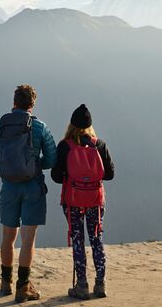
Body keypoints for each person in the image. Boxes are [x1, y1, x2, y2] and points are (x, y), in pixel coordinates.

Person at [0, 84, 57, 302]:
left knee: (8, 236)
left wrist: (8, 167)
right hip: (33, 187)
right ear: (32, 105)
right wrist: (34, 166)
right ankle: (23, 287)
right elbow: (52, 159)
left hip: (8, 187)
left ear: (14, 102)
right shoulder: (40, 127)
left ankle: (5, 282)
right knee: (28, 238)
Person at [51, 104, 115, 300]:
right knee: (96, 238)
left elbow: (55, 176)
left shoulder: (65, 146)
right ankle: (100, 283)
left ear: (71, 125)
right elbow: (110, 174)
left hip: (73, 201)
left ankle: (81, 285)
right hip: (95, 201)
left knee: (78, 239)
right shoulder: (100, 145)